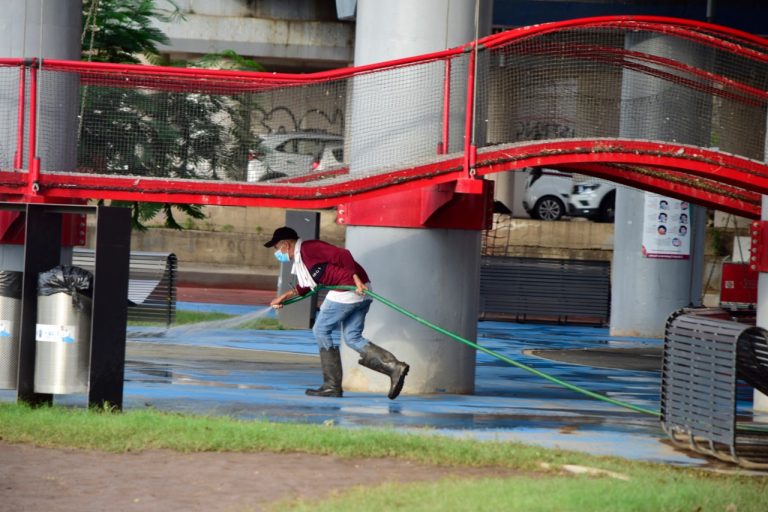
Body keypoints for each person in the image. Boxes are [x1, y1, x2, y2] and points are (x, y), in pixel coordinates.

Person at [265, 226, 410, 400]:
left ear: (286, 245)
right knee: (352, 337)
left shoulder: (309, 248)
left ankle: (332, 386)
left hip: (349, 290)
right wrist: (284, 297)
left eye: (276, 248)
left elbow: (344, 254)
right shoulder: (303, 258)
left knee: (320, 330)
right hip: (359, 291)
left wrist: (355, 279)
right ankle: (394, 367)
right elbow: (308, 285)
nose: (277, 253)